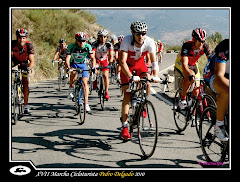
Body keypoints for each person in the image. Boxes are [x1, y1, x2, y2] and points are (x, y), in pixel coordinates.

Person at [119, 21, 160, 140]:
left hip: (140, 65)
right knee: (127, 94)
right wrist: (131, 76)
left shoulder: (149, 42)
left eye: (143, 33)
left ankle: (143, 104)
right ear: (133, 33)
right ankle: (125, 126)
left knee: (147, 83)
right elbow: (122, 61)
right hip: (127, 67)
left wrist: (155, 75)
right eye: (138, 34)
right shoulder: (126, 40)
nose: (141, 36)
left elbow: (153, 62)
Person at [174, 28, 211, 110]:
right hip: (181, 63)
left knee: (197, 90)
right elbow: (184, 64)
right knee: (190, 75)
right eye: (199, 41)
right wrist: (189, 74)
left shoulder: (205, 47)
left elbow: (211, 60)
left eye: (203, 41)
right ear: (193, 40)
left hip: (193, 65)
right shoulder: (187, 45)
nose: (201, 44)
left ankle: (191, 110)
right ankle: (182, 99)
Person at [203, 39, 229, 142]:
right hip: (213, 74)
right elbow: (219, 76)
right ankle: (219, 126)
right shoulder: (225, 47)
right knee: (226, 91)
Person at [66, 32, 96, 112]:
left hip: (82, 64)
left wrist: (93, 67)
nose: (82, 43)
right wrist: (68, 67)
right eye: (80, 41)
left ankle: (86, 103)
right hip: (74, 64)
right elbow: (68, 58)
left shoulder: (88, 46)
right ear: (76, 41)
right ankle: (71, 87)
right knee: (73, 74)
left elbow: (93, 58)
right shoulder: (71, 47)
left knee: (85, 82)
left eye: (83, 41)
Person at [12, 28, 35, 114]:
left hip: (24, 64)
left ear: (26, 38)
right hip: (13, 62)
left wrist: (29, 68)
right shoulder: (12, 44)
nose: (21, 40)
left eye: (23, 38)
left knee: (25, 83)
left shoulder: (29, 46)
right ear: (17, 37)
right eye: (19, 37)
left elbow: (31, 61)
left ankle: (25, 105)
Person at [92, 29, 114, 100]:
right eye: (101, 36)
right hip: (97, 60)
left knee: (105, 75)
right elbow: (93, 54)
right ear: (98, 37)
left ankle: (106, 92)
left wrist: (110, 63)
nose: (102, 38)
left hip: (104, 61)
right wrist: (93, 64)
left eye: (104, 36)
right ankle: (95, 80)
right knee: (95, 71)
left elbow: (111, 55)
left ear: (106, 37)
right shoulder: (95, 44)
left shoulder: (109, 44)